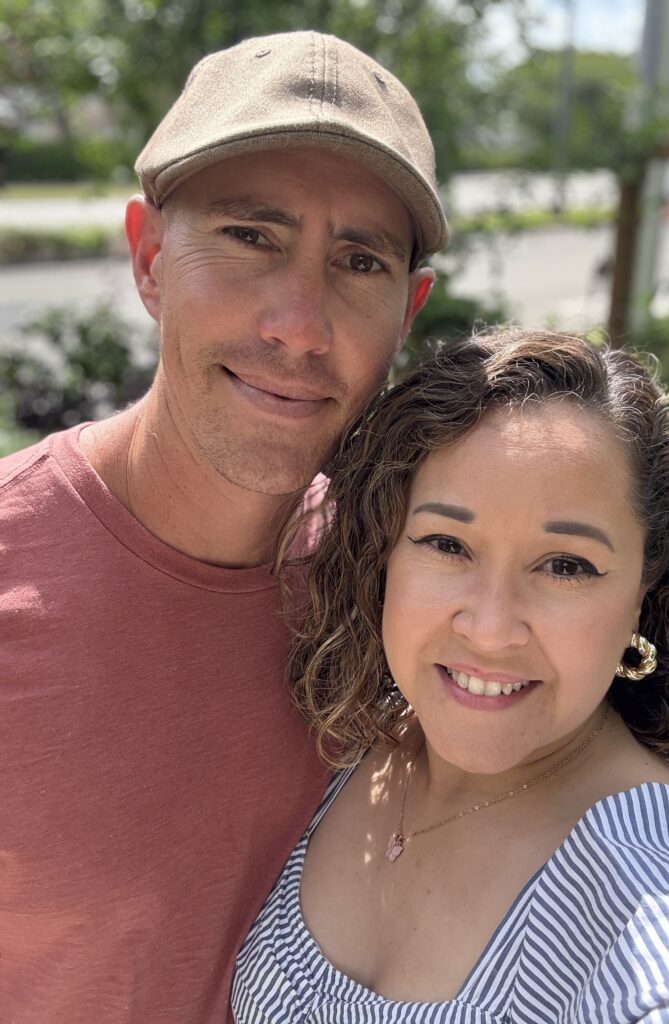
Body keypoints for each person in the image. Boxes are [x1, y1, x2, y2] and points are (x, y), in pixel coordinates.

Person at [0, 31, 446, 1024]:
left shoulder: (414, 594)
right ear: (150, 257)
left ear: (407, 311)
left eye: (358, 260)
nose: (299, 321)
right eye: (252, 236)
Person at [232, 328, 669, 1023]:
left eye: (566, 565)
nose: (489, 629)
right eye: (447, 545)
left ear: (646, 586)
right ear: (382, 549)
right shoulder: (344, 745)